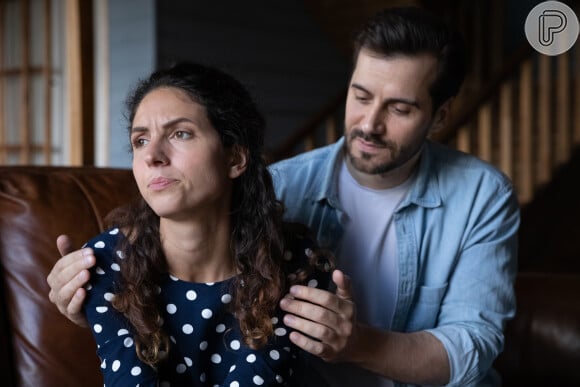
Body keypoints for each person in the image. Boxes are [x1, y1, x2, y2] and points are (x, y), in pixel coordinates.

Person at [47, 6, 519, 387]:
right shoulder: (279, 186)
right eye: (360, 95)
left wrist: (357, 344)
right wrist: (99, 300)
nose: (370, 123)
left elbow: (472, 346)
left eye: (400, 108)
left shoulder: (482, 196)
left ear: (439, 117)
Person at [60, 61, 333, 386]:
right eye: (140, 140)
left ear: (234, 158)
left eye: (180, 133)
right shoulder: (107, 263)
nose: (153, 156)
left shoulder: (294, 263)